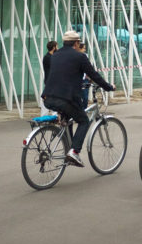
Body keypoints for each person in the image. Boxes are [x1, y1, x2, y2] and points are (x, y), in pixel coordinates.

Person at [42, 30, 115, 167]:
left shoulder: (55, 56)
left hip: (48, 97)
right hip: (65, 98)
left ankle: (67, 147)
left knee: (68, 118)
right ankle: (74, 152)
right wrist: (109, 87)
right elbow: (94, 75)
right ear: (76, 43)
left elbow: (61, 75)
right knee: (84, 121)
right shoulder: (80, 57)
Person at [40, 41, 58, 116]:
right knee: (48, 99)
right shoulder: (48, 57)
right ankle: (46, 115)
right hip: (50, 81)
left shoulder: (51, 57)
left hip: (52, 81)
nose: (58, 48)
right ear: (54, 47)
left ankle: (54, 114)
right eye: (57, 46)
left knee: (53, 98)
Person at [78, 42, 89, 109]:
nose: (85, 50)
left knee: (85, 97)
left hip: (84, 79)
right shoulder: (74, 56)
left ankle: (84, 110)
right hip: (78, 80)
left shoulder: (85, 56)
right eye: (84, 48)